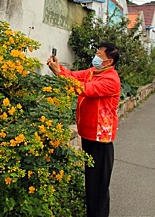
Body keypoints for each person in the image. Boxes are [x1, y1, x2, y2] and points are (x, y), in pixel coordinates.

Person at [47, 42, 120, 217]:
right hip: (88, 135)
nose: (95, 56)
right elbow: (73, 76)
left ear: (109, 61)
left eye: (99, 54)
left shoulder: (110, 80)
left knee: (99, 186)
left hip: (100, 139)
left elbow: (84, 89)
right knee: (92, 182)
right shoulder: (94, 72)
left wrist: (59, 74)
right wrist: (59, 69)